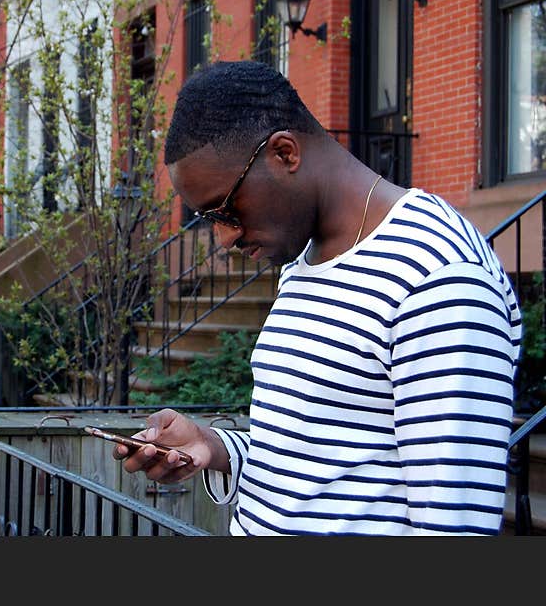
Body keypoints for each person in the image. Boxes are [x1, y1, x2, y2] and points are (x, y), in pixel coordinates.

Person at [115, 61, 521, 535]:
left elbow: (454, 531)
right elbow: (321, 458)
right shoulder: (307, 260)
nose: (223, 238)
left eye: (225, 208)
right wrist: (213, 447)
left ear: (285, 153)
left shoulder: (439, 279)